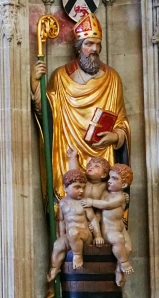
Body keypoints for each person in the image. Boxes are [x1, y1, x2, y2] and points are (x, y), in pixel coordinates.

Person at [31, 13, 130, 201]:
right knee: (70, 210)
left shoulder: (112, 79)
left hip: (102, 156)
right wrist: (36, 84)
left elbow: (122, 121)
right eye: (88, 44)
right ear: (78, 47)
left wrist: (115, 136)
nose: (94, 49)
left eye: (97, 44)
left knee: (103, 212)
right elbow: (46, 113)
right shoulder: (60, 77)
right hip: (68, 152)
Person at [82, 164, 134, 286]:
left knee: (129, 248)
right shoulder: (107, 194)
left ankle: (118, 268)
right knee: (118, 240)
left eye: (114, 179)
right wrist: (96, 228)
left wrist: (92, 202)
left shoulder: (120, 196)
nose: (109, 181)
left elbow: (107, 205)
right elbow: (100, 211)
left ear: (124, 185)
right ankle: (124, 263)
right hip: (109, 230)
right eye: (109, 177)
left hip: (120, 227)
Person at [48, 169, 103, 282]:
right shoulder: (62, 203)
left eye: (83, 187)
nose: (81, 191)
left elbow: (92, 219)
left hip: (84, 234)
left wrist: (97, 235)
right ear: (65, 188)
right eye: (77, 187)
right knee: (57, 245)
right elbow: (61, 221)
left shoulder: (84, 203)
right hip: (70, 235)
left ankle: (77, 255)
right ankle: (55, 268)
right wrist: (62, 236)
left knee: (74, 231)